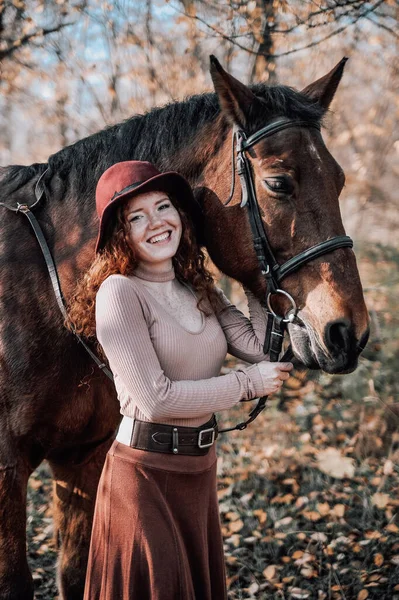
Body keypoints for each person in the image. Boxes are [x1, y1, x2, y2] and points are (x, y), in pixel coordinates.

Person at [67, 160, 293, 600]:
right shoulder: (119, 293)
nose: (156, 223)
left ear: (180, 216)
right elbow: (153, 399)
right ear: (121, 234)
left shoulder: (199, 288)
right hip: (144, 475)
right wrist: (246, 385)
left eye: (163, 206)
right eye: (136, 217)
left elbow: (261, 347)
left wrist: (252, 274)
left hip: (198, 469)